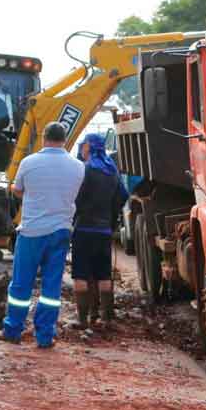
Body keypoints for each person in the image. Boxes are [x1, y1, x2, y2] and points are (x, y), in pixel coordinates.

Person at [0, 122, 84, 349]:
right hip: (61, 231)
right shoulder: (77, 166)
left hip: (32, 231)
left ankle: (13, 330)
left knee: (21, 285)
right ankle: (45, 336)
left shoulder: (29, 162)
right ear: (64, 139)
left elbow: (17, 189)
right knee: (51, 288)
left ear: (44, 138)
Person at [71, 133, 129, 330]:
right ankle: (107, 318)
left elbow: (75, 198)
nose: (81, 149)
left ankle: (82, 320)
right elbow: (123, 195)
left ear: (89, 147)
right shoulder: (112, 171)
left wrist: (76, 213)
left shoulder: (84, 171)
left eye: (83, 145)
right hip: (104, 230)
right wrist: (112, 216)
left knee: (80, 274)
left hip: (84, 229)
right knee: (104, 275)